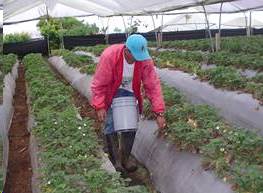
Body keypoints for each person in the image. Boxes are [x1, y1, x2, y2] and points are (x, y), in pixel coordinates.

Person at [91, 34, 166, 173]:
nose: (138, 58)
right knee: (110, 125)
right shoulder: (110, 56)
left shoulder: (144, 60)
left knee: (130, 126)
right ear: (126, 50)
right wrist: (100, 106)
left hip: (130, 92)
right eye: (135, 55)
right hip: (111, 91)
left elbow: (153, 85)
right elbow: (99, 83)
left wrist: (159, 111)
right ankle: (116, 162)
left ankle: (125, 158)